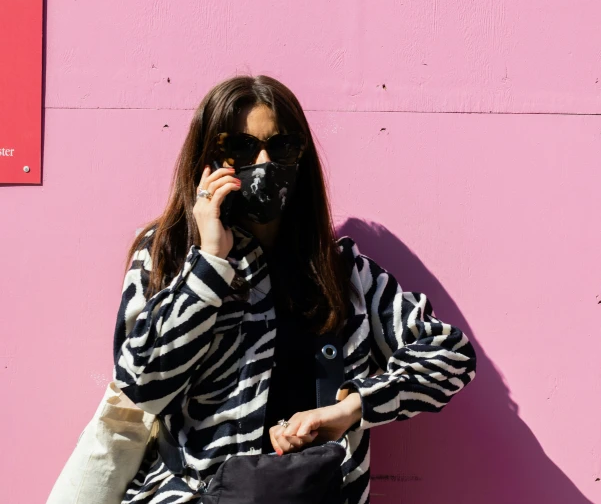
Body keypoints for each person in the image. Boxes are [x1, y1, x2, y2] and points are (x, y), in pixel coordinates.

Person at [112, 75, 477, 503]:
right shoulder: (166, 253)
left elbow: (451, 356)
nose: (264, 163)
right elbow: (143, 387)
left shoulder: (341, 272)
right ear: (208, 157)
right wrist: (210, 262)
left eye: (282, 146)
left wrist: (352, 408)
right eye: (242, 148)